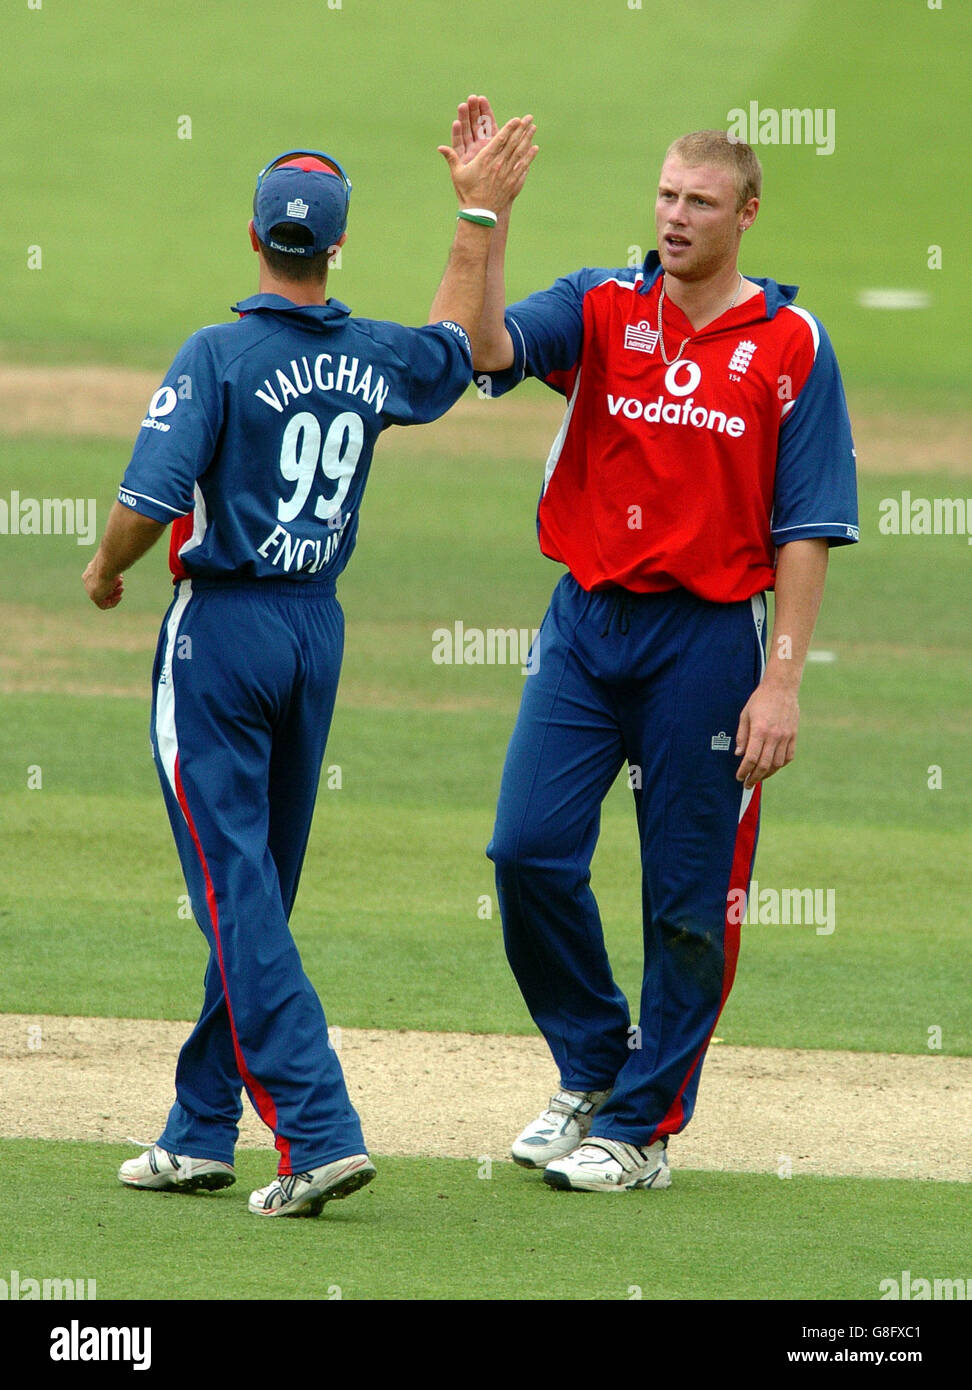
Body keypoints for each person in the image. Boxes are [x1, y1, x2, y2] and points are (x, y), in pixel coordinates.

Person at [83, 119, 537, 1217]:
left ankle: (318, 1128)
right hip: (312, 637)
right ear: (337, 248)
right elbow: (467, 346)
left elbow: (148, 504)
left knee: (235, 889)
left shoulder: (216, 355)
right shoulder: (372, 354)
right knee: (257, 889)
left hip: (223, 635)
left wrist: (103, 572)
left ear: (252, 235)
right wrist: (477, 215)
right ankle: (200, 1126)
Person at [447, 97, 858, 1192]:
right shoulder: (598, 306)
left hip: (711, 643)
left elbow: (808, 527)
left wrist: (782, 685)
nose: (676, 218)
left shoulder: (790, 347)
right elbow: (486, 349)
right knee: (523, 849)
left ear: (748, 213)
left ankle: (641, 1130)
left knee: (687, 897)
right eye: (667, 196)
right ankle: (592, 1064)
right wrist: (482, 220)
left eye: (701, 202)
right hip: (585, 624)